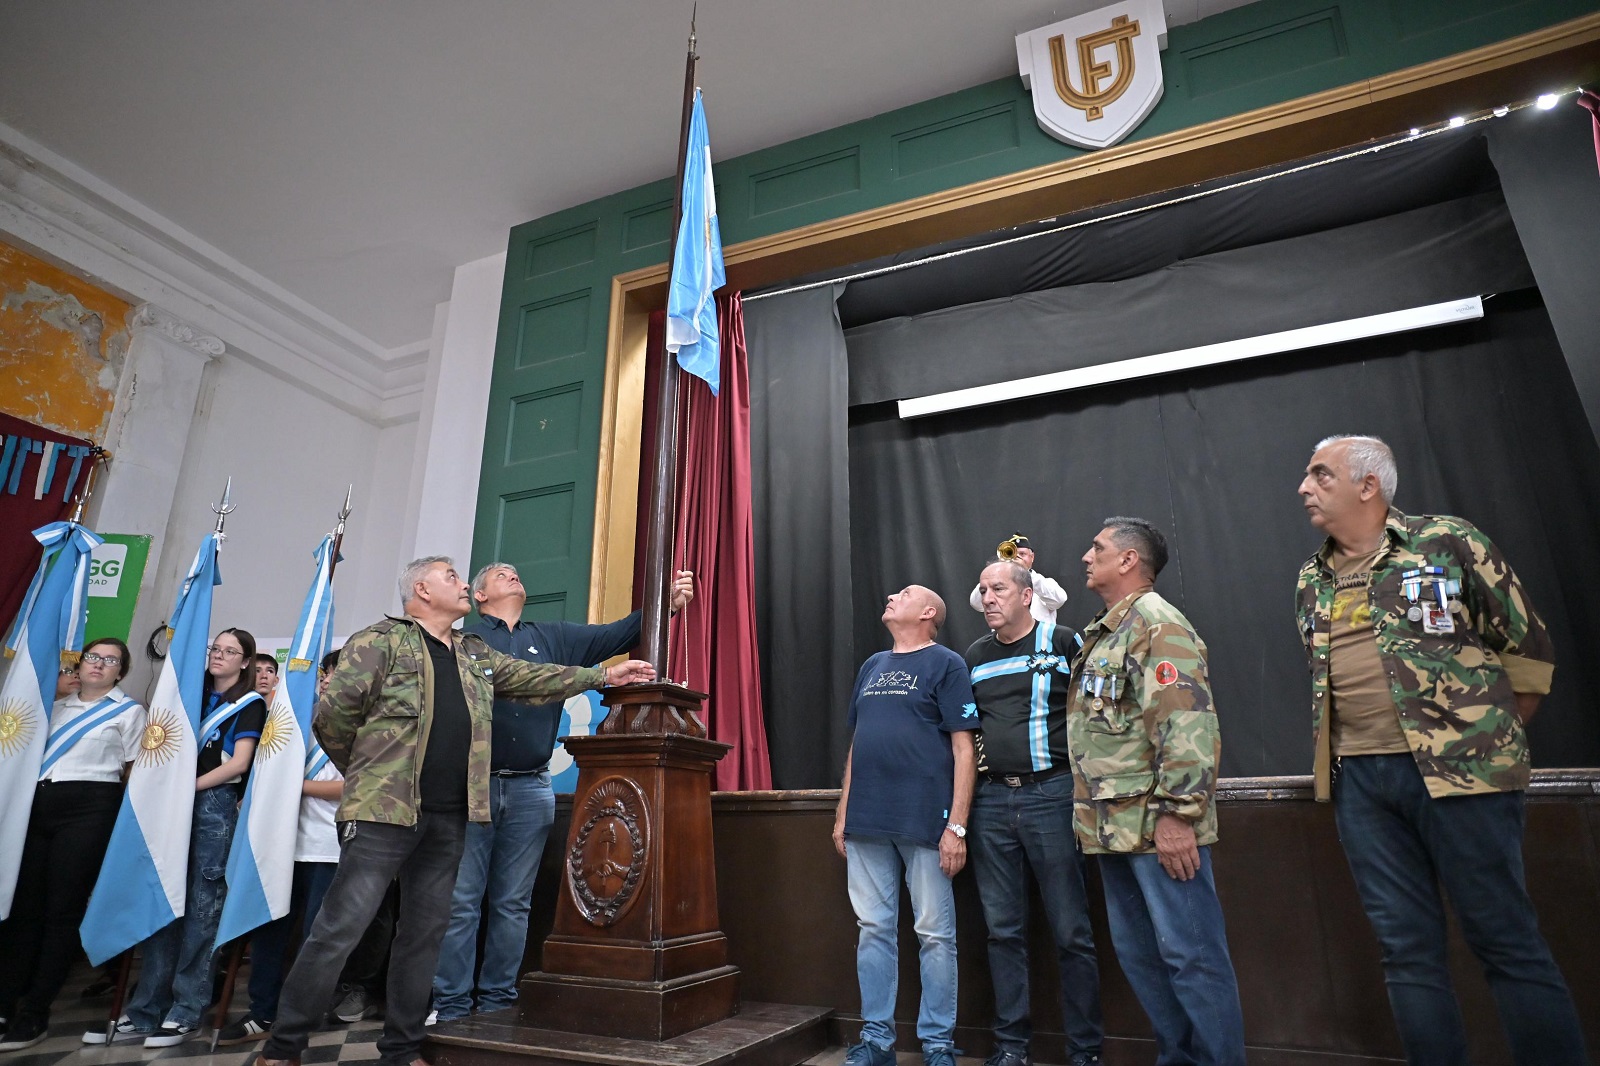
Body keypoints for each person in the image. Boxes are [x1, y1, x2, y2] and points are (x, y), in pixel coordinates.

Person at [255, 556, 655, 1066]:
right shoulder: (378, 641)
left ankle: (401, 1051)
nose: (463, 584)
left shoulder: (473, 652)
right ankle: (283, 1047)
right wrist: (372, 775)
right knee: (339, 930)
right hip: (383, 815)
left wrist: (602, 674)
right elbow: (333, 719)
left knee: (423, 937)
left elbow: (533, 678)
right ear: (422, 589)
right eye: (451, 577)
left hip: (450, 817)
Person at [1294, 434, 1587, 1065]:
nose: (1304, 488)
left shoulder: (1446, 541)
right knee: (1405, 951)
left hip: (1462, 775)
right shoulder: (1311, 578)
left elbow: (1528, 649)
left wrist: (1482, 740)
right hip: (1361, 784)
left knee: (1505, 940)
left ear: (1368, 485)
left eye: (1320, 475)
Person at [432, 563, 694, 1021]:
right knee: (461, 903)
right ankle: (451, 1006)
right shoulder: (465, 641)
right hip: (471, 787)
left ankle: (497, 1002)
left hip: (532, 787)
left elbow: (617, 633)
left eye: (516, 572)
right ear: (480, 596)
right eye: (500, 574)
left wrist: (665, 605)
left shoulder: (552, 636)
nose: (512, 574)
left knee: (513, 904)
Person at [1067, 519, 1243, 1066]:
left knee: (1193, 959)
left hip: (1157, 824)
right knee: (1143, 960)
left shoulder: (1156, 623)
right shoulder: (1107, 630)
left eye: (1097, 548)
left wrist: (1178, 816)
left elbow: (1187, 723)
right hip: (1112, 827)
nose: (1086, 556)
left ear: (1128, 560)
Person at [95, 628, 267, 1048]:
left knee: (202, 912)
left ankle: (186, 1010)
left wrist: (186, 787)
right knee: (163, 905)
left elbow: (238, 764)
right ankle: (146, 1010)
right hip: (170, 807)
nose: (219, 656)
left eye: (230, 652)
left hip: (212, 806)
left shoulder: (249, 704)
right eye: (216, 649)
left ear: (245, 662)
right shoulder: (190, 696)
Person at [832, 585, 977, 1066]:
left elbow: (964, 750)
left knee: (934, 933)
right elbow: (858, 742)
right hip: (867, 819)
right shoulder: (872, 666)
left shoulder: (947, 664)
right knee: (873, 929)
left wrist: (957, 826)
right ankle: (877, 1042)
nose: (893, 595)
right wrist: (843, 813)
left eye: (906, 593)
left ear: (928, 612)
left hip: (925, 819)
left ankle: (937, 1045)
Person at [966, 560, 1102, 1066]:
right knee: (1002, 932)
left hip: (1053, 794)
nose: (988, 598)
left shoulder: (1062, 641)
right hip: (990, 802)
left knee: (1071, 931)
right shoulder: (975, 656)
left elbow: (1095, 712)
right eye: (983, 590)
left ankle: (1085, 1051)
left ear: (1026, 595)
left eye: (998, 588)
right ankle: (1011, 1048)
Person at [0, 639, 145, 1052]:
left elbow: (133, 772)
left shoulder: (129, 712)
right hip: (39, 805)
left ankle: (36, 1012)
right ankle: (5, 1002)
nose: (99, 664)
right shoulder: (53, 708)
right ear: (78, 665)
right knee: (23, 908)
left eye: (110, 660)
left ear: (120, 672)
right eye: (92, 657)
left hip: (91, 808)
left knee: (61, 911)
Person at [217, 648, 345, 1047]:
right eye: (324, 673)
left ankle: (301, 1015)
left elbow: (352, 786)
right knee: (269, 929)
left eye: (338, 673)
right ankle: (263, 1011)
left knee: (316, 939)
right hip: (280, 843)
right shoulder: (293, 719)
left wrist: (293, 786)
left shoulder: (366, 726)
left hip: (328, 846)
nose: (327, 679)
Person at [969, 534, 1069, 624]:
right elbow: (976, 604)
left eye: (1022, 554)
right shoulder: (997, 583)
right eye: (1011, 553)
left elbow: (1059, 600)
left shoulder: (1046, 583)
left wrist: (1024, 572)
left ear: (1032, 557)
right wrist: (998, 569)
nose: (1016, 557)